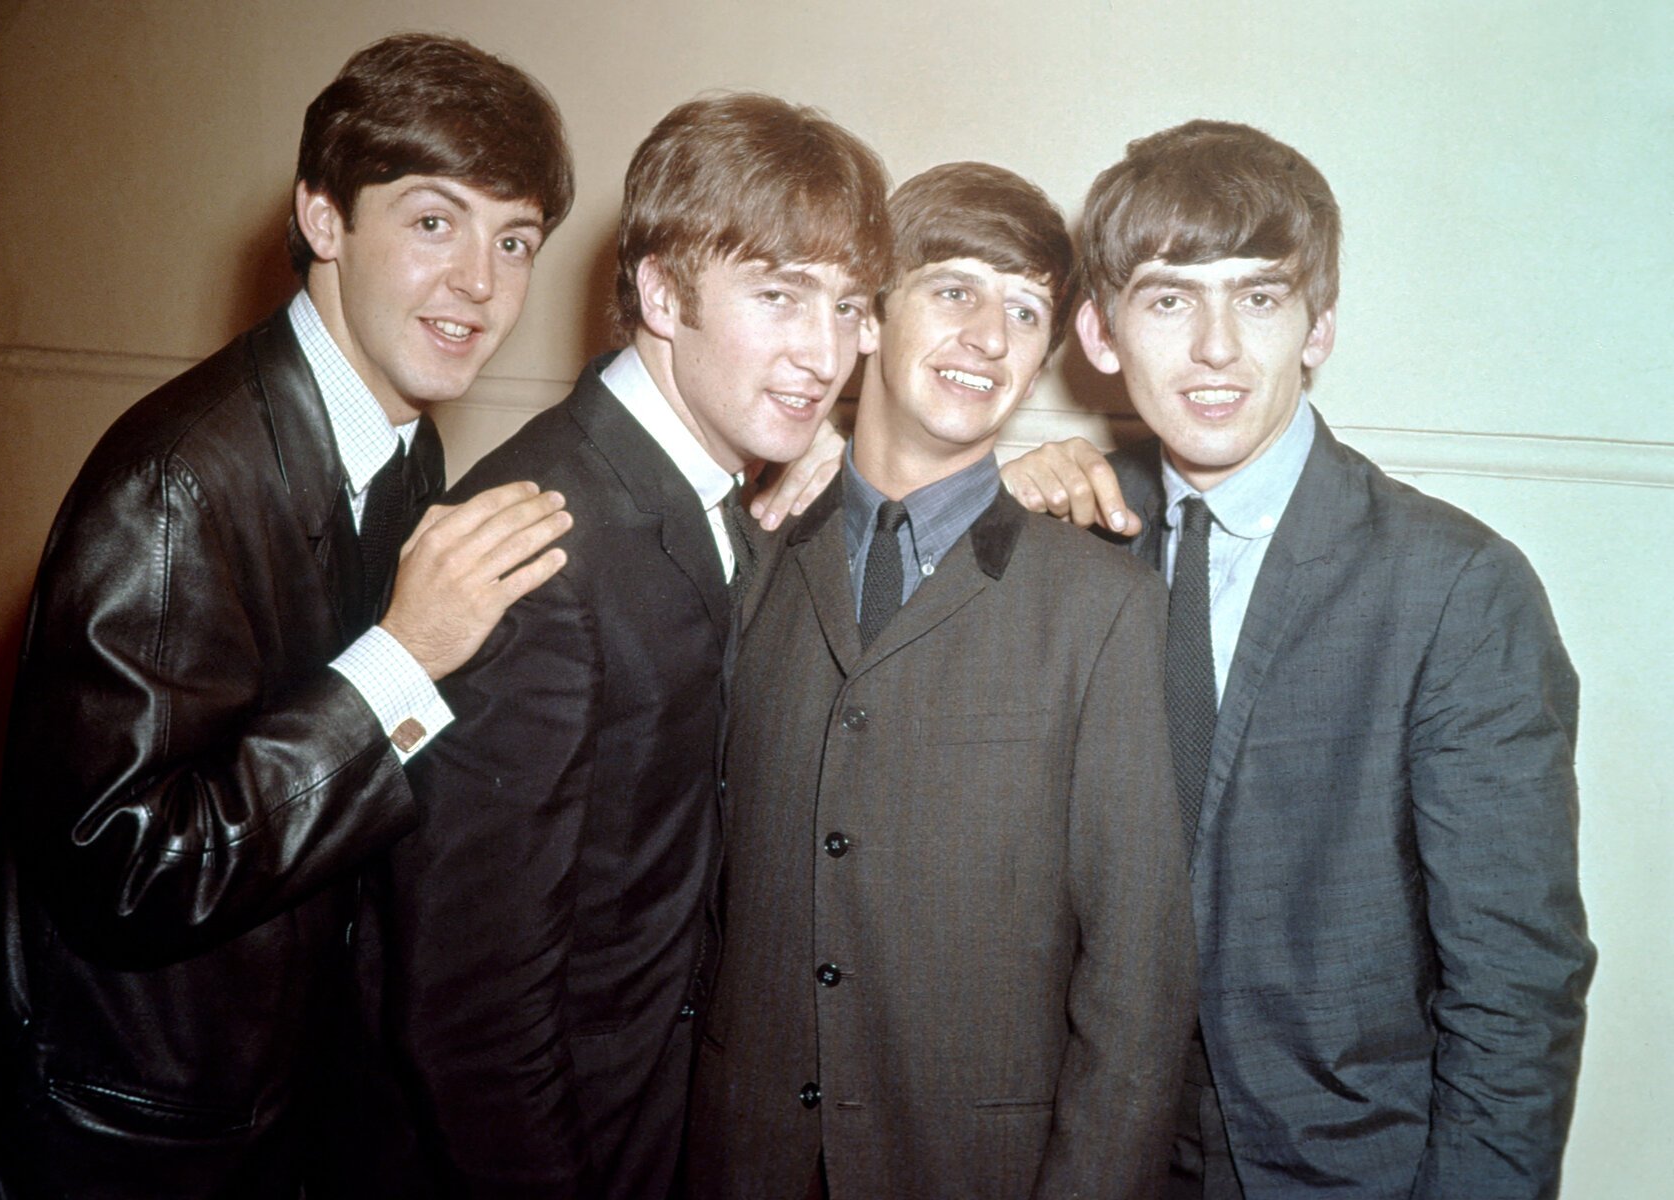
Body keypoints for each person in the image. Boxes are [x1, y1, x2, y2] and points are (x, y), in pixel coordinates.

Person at [0, 34, 574, 1198]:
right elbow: (123, 869)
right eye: (433, 222)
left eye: (515, 242)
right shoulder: (176, 485)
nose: (480, 286)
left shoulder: (405, 440)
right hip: (122, 1138)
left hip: (272, 1110)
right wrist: (401, 662)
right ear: (323, 218)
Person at [1002, 120, 1594, 1197]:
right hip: (1086, 1159)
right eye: (1172, 298)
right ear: (1099, 331)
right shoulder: (1055, 538)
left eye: (1260, 298)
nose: (1217, 348)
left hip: (1343, 1171)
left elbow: (1516, 991)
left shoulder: (1457, 588)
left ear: (1319, 326)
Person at [364, 93, 891, 1197]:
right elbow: (470, 1012)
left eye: (849, 307)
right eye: (780, 296)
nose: (826, 352)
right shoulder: (541, 540)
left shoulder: (703, 489)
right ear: (660, 291)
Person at [686, 163, 1197, 1200]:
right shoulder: (750, 556)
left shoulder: (1104, 608)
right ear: (869, 318)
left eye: (1023, 310)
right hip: (741, 1157)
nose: (990, 337)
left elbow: (1139, 986)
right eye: (954, 289)